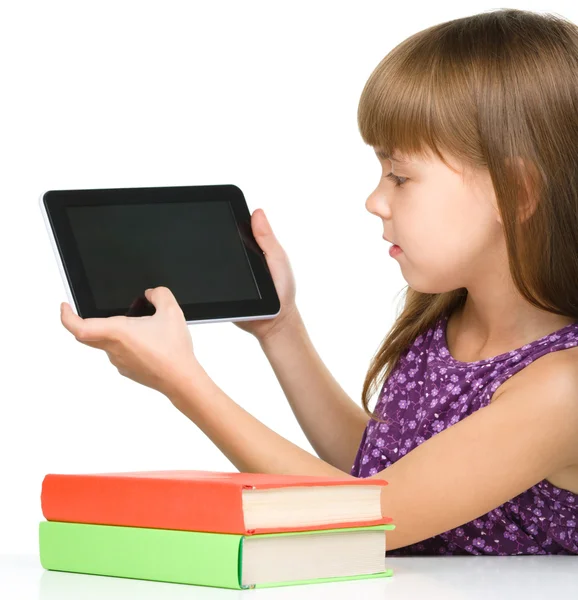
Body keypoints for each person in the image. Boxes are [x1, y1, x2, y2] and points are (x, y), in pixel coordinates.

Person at [59, 8, 578, 555]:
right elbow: (381, 472)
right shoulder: (447, 322)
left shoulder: (562, 388)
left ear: (515, 192)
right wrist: (281, 329)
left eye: (400, 176)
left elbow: (368, 517)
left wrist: (184, 383)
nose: (375, 200)